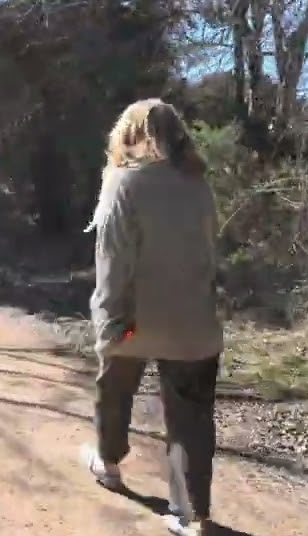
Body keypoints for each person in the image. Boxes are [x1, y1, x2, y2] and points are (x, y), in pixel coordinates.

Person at [78, 98, 223, 536]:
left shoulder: (123, 182)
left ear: (130, 134)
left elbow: (113, 262)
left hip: (136, 320)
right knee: (190, 417)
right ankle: (189, 512)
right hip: (194, 320)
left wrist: (108, 320)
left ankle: (108, 462)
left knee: (114, 386)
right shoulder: (200, 184)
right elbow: (210, 253)